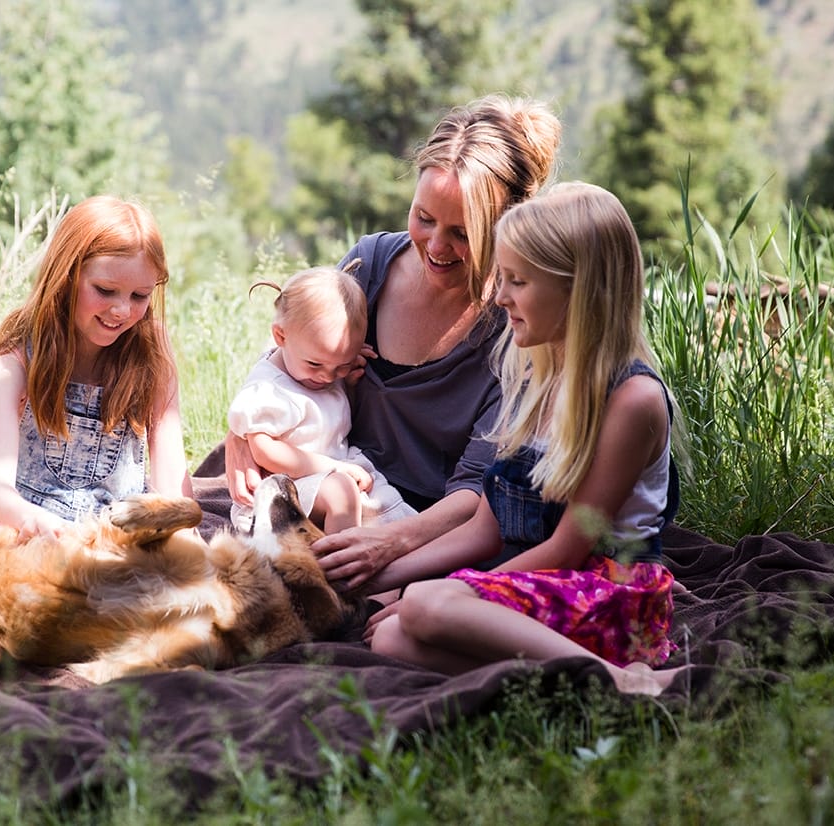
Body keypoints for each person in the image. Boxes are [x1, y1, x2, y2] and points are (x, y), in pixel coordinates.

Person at [224, 95, 562, 591]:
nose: (436, 247)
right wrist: (241, 436)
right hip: (330, 482)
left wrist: (392, 542)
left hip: (432, 526)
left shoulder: (516, 329)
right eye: (423, 217)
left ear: (506, 225)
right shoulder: (370, 266)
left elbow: (477, 493)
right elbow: (291, 352)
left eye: (462, 234)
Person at [365, 182, 682, 695]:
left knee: (424, 604)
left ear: (579, 289)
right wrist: (372, 574)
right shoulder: (534, 377)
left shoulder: (631, 400)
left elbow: (569, 547)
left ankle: (622, 680)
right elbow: (482, 533)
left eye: (518, 281)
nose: (502, 297)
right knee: (393, 639)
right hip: (552, 590)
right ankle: (570, 681)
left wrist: (458, 593)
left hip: (613, 594)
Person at [0, 195, 193, 538]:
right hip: (29, 529)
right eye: (106, 290)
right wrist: (37, 523)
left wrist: (182, 531)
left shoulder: (152, 350)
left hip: (115, 535)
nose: (122, 310)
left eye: (140, 296)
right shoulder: (15, 358)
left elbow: (171, 482)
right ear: (66, 275)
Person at [226, 265, 417, 535]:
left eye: (341, 365)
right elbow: (264, 451)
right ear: (281, 336)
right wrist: (335, 468)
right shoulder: (270, 389)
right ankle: (340, 560)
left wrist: (346, 383)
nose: (327, 377)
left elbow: (326, 418)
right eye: (315, 363)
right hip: (283, 490)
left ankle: (393, 542)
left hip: (327, 476)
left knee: (390, 509)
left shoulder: (319, 369)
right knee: (342, 493)